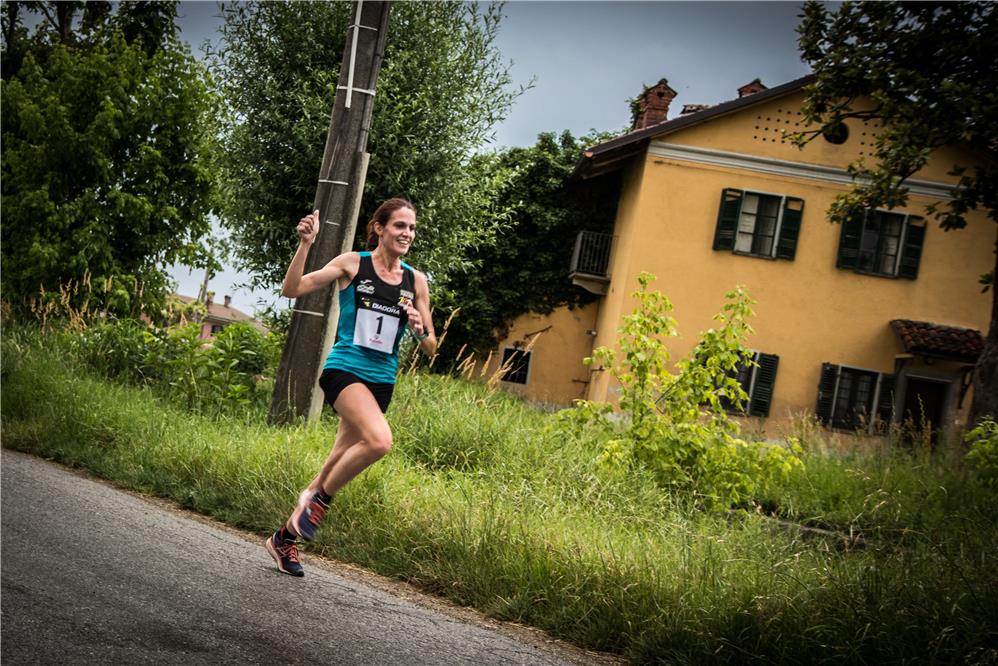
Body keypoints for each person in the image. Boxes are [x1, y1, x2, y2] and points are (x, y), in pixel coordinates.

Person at [266, 197, 436, 577]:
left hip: (382, 381)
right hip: (345, 370)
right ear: (379, 227)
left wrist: (419, 329)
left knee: (335, 460)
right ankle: (321, 502)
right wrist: (305, 244)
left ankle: (284, 538)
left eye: (411, 228)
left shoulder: (416, 281)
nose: (407, 234)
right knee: (380, 441)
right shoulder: (352, 264)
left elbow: (431, 346)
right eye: (400, 226)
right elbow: (292, 289)